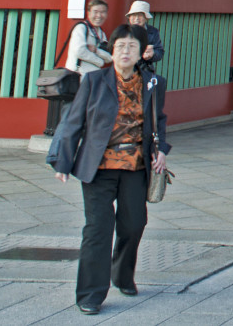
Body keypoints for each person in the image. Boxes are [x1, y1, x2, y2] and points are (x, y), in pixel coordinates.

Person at [46, 23, 170, 316]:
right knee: (98, 229)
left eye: (131, 47)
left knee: (133, 224)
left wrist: (162, 150)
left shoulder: (154, 83)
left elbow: (159, 120)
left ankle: (122, 275)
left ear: (142, 53)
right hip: (98, 167)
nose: (125, 51)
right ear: (111, 51)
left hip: (135, 166)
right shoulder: (94, 81)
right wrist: (62, 160)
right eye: (119, 46)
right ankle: (90, 293)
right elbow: (73, 120)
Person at [69, 0, 112, 75]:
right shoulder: (81, 28)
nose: (99, 15)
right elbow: (79, 51)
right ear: (88, 13)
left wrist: (96, 50)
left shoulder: (101, 33)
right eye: (95, 12)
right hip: (78, 76)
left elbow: (109, 58)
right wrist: (99, 62)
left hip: (93, 76)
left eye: (102, 12)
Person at [124, 2, 164, 75]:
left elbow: (160, 52)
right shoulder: (123, 31)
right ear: (129, 17)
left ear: (146, 17)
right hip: (126, 70)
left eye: (140, 15)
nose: (136, 19)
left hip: (145, 71)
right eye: (133, 15)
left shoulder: (153, 32)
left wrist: (152, 54)